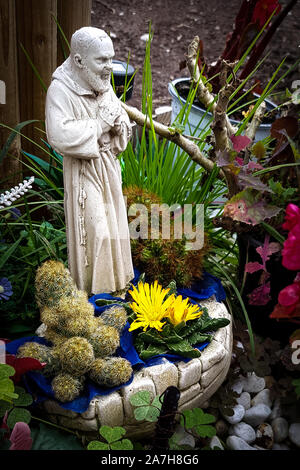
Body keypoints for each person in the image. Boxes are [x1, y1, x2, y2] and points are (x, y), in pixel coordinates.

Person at [45, 27, 134, 295]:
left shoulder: (101, 84)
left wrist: (120, 127)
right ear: (79, 60)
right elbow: (59, 135)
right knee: (97, 232)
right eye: (101, 60)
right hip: (84, 174)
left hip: (108, 169)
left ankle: (117, 290)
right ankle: (96, 297)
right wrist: (99, 125)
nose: (109, 67)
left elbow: (120, 121)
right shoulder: (60, 90)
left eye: (111, 59)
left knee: (115, 228)